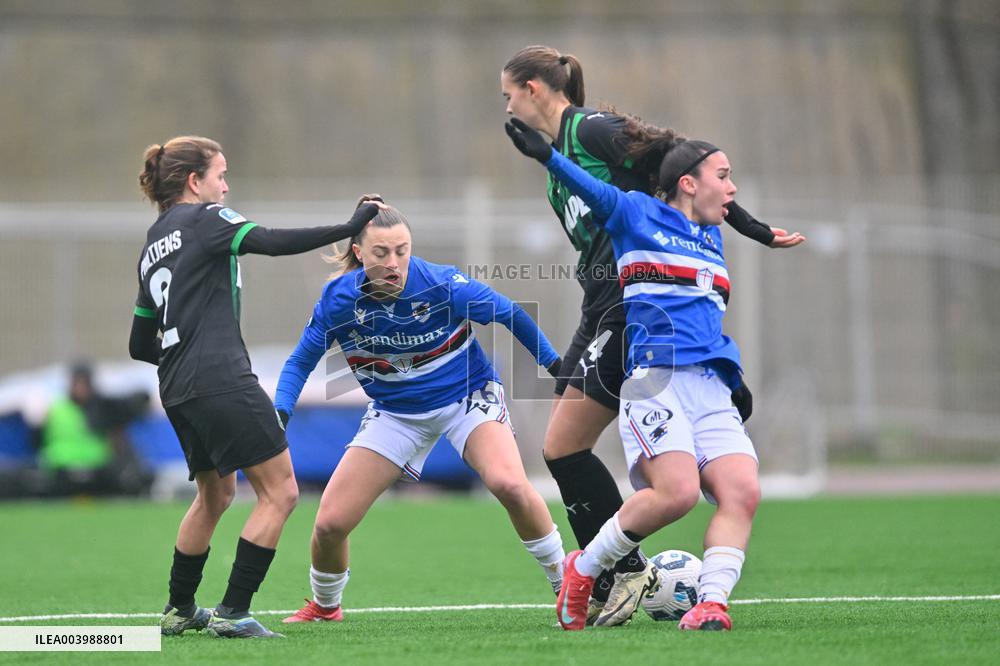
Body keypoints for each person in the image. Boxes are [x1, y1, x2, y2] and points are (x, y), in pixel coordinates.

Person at [501, 44, 805, 626]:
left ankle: (616, 572)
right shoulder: (560, 166)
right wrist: (574, 347)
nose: (507, 102)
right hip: (605, 306)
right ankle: (612, 570)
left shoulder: (589, 130)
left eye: (508, 91)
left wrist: (756, 230)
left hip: (636, 308)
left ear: (533, 89)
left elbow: (684, 161)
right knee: (562, 447)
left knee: (567, 447)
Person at [129, 135, 382, 639]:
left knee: (215, 495)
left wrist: (186, 356)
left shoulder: (153, 243)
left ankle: (180, 608)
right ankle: (233, 611)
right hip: (220, 377)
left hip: (176, 386)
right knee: (281, 492)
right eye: (220, 176)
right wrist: (351, 227)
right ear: (193, 182)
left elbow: (140, 343)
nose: (226, 187)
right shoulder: (205, 219)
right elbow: (270, 241)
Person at [274, 195, 567, 623]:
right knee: (329, 524)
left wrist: (554, 365)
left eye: (402, 250)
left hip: (467, 399)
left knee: (510, 484)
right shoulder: (338, 300)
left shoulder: (442, 284)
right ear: (358, 252)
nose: (394, 262)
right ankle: (325, 606)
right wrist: (280, 412)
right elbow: (301, 361)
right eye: (381, 253)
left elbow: (511, 314)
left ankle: (568, 586)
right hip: (396, 412)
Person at [38, 362, 152, 497]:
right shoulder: (57, 408)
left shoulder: (98, 407)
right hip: (63, 467)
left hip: (96, 467)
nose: (81, 388)